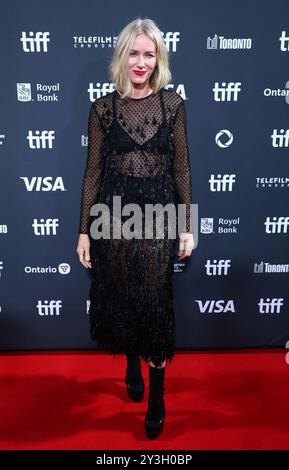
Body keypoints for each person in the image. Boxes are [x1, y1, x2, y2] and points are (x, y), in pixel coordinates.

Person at [76, 17, 194, 439]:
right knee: (125, 298)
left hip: (159, 218)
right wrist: (84, 230)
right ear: (123, 56)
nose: (141, 62)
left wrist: (187, 226)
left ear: (158, 58)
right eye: (134, 52)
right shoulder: (103, 109)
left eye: (149, 54)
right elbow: (93, 172)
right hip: (114, 218)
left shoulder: (172, 105)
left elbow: (181, 167)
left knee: (156, 306)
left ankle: (157, 396)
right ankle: (130, 360)